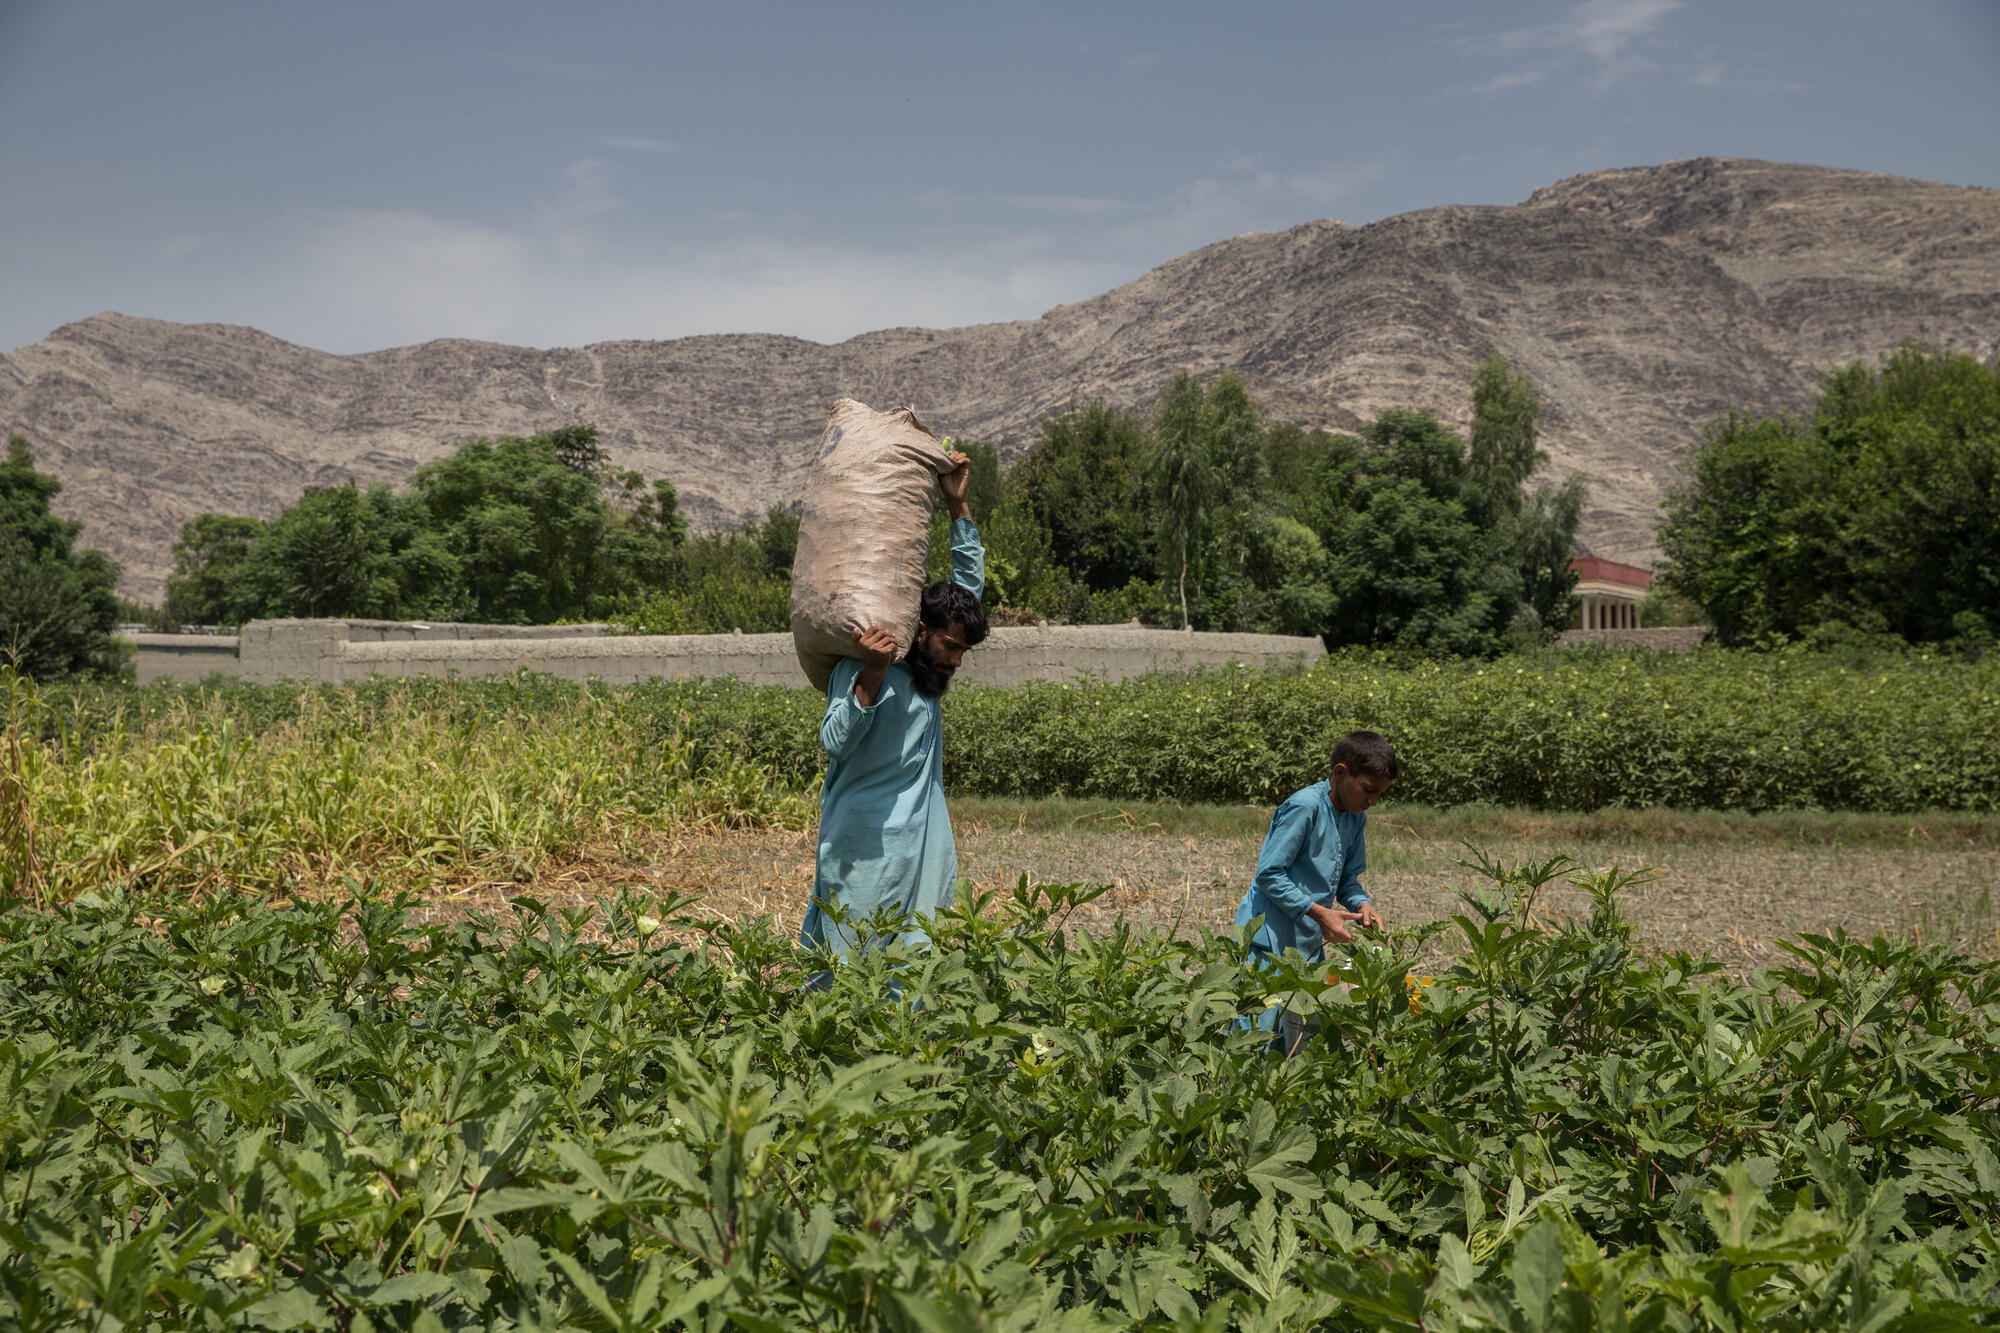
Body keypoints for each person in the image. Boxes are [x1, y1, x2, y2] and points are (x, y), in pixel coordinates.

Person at [800, 452, 986, 969]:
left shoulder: (930, 667)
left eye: (963, 651)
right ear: (920, 631)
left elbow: (968, 587)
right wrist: (873, 677)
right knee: (852, 959)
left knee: (915, 957)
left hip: (923, 840)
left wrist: (957, 502)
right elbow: (834, 742)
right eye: (950, 646)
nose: (955, 660)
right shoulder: (866, 666)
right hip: (865, 843)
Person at [1233, 730, 1400, 1054]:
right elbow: (1269, 874)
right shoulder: (1305, 807)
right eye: (1368, 790)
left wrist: (1362, 903)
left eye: (1380, 794)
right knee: (1257, 1037)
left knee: (1297, 1038)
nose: (1373, 801)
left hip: (1306, 941)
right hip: (1268, 938)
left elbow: (1346, 878)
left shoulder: (1355, 818)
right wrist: (1320, 912)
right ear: (1340, 773)